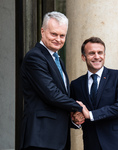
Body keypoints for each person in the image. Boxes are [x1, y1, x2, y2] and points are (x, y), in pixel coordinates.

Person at [20, 11, 84, 150]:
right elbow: (51, 93)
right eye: (54, 34)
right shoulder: (35, 57)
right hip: (41, 138)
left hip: (56, 138)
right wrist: (78, 107)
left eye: (62, 35)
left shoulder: (57, 59)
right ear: (42, 32)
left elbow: (61, 95)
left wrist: (73, 113)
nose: (58, 39)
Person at [70, 37, 118, 150]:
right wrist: (76, 120)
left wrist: (90, 115)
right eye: (91, 53)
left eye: (100, 53)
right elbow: (73, 114)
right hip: (92, 144)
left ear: (104, 55)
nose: (97, 56)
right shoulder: (76, 84)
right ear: (83, 57)